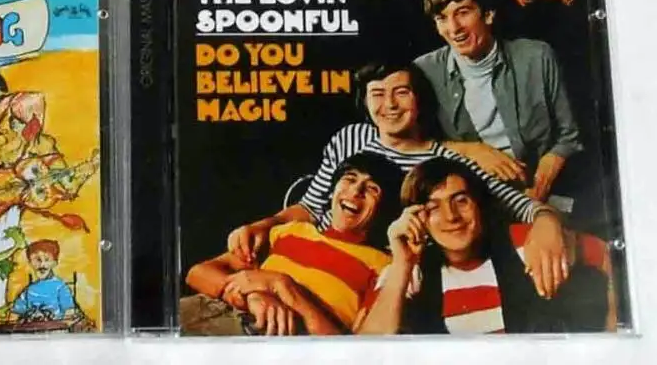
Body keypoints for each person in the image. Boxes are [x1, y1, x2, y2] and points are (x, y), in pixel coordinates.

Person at [226, 61, 572, 301]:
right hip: (309, 255)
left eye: (401, 92)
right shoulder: (350, 138)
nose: (389, 105)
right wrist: (265, 224)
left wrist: (547, 223)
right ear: (365, 101)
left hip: (377, 278)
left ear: (419, 101)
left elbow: (526, 207)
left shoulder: (449, 162)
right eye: (377, 94)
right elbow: (311, 207)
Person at [357, 159, 611, 334]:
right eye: (433, 207)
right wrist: (402, 264)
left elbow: (606, 254)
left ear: (479, 205)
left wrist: (613, 338)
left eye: (461, 201)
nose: (451, 216)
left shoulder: (521, 241)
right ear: (416, 218)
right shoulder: (406, 271)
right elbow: (368, 348)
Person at [183, 153, 403, 335]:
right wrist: (253, 296)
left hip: (258, 336)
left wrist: (284, 287)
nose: (355, 191)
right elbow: (198, 273)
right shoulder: (288, 231)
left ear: (385, 209)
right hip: (206, 307)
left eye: (372, 188)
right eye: (349, 179)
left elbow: (354, 351)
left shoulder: (384, 267)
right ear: (332, 191)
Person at [413, 0, 582, 201]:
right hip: (471, 197)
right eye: (441, 18)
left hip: (539, 190)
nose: (453, 28)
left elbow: (568, 135)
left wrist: (543, 179)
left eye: (463, 12)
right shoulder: (424, 70)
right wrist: (472, 150)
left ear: (488, 15)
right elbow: (412, 144)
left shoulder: (536, 57)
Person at [10, 240, 79, 322]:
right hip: (31, 328)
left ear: (54, 262)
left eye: (47, 260)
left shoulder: (60, 287)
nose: (42, 265)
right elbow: (14, 314)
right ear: (30, 262)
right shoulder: (28, 291)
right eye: (38, 260)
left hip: (56, 327)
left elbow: (69, 314)